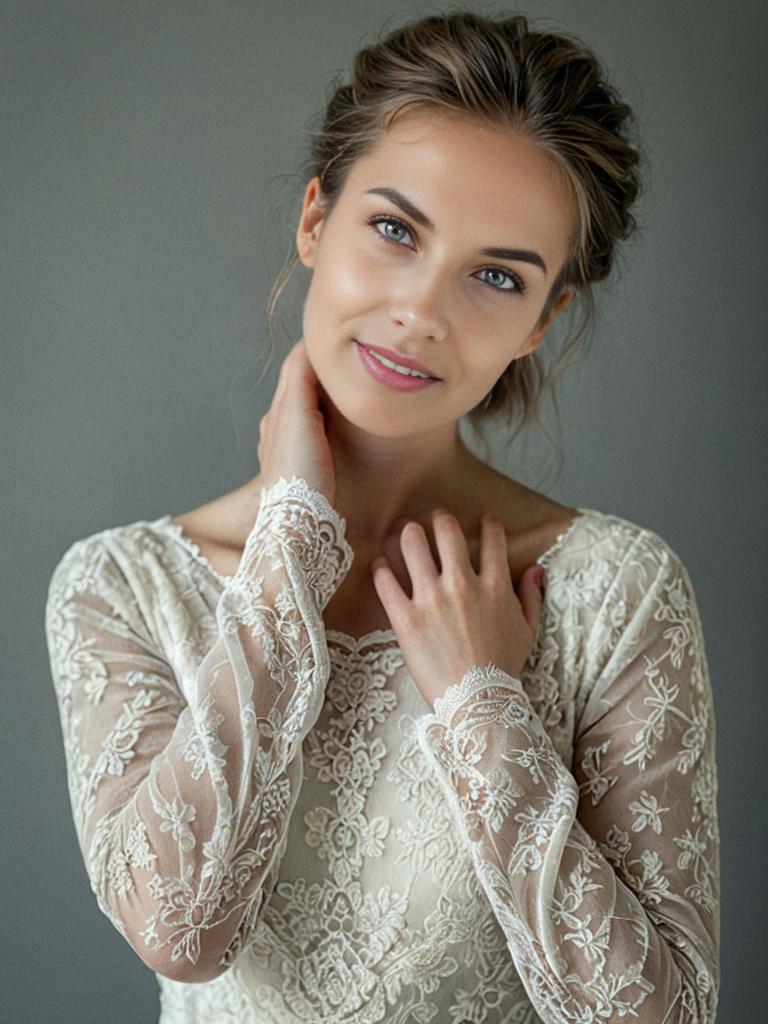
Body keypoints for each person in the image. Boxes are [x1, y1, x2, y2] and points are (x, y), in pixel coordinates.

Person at [44, 9, 720, 1023]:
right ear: (315, 217)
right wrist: (292, 539)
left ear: (544, 320)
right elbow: (180, 931)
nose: (421, 311)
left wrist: (486, 705)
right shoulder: (120, 587)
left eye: (496, 275)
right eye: (396, 230)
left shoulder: (612, 591)